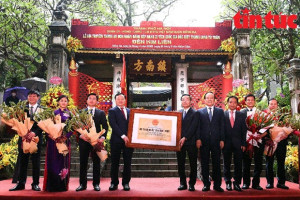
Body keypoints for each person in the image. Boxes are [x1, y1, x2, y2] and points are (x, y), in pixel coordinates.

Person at [10, 90, 43, 191]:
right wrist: (23, 133)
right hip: (23, 138)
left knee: (36, 162)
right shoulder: (21, 109)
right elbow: (17, 122)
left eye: (34, 96)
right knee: (22, 161)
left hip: (36, 138)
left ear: (38, 97)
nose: (31, 98)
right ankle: (21, 183)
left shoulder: (42, 110)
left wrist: (34, 133)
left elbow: (44, 124)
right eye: (30, 96)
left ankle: (35, 183)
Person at [76, 93, 108, 191]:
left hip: (96, 141)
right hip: (84, 141)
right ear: (87, 100)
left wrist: (102, 138)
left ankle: (96, 184)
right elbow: (77, 126)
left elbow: (105, 127)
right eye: (90, 98)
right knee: (83, 163)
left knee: (96, 163)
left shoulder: (101, 113)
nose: (92, 100)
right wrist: (80, 135)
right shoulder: (81, 112)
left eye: (94, 99)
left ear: (97, 101)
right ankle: (82, 184)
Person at [43, 95, 73, 192]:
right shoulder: (54, 113)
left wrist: (65, 137)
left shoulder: (70, 114)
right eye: (61, 101)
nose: (63, 102)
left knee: (63, 162)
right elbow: (47, 126)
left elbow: (72, 128)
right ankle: (51, 185)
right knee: (53, 161)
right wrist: (52, 135)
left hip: (64, 141)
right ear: (58, 102)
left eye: (65, 101)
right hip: (53, 141)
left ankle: (62, 185)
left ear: (68, 103)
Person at [196, 92, 224, 192]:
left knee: (216, 163)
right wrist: (198, 139)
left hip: (216, 141)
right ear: (204, 100)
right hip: (204, 141)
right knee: (204, 163)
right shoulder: (199, 112)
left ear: (214, 100)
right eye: (207, 98)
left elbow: (222, 127)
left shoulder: (220, 111)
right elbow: (198, 127)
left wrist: (222, 139)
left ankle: (217, 185)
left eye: (211, 98)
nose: (209, 100)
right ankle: (206, 184)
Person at [108, 93, 133, 191]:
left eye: (122, 99)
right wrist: (123, 136)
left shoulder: (130, 111)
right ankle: (114, 183)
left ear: (125, 100)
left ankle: (126, 183)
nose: (120, 100)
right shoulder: (112, 111)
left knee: (128, 162)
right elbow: (113, 124)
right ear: (115, 100)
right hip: (116, 140)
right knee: (115, 163)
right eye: (118, 99)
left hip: (129, 141)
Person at [241, 94, 266, 190]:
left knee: (258, 162)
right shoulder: (241, 113)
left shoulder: (260, 113)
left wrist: (260, 135)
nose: (250, 101)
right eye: (248, 100)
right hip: (246, 141)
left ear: (254, 101)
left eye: (252, 100)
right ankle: (246, 183)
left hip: (258, 140)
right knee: (246, 163)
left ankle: (256, 183)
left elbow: (266, 127)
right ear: (245, 102)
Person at [223, 96, 247, 192]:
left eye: (234, 102)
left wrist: (244, 143)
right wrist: (221, 141)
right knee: (226, 163)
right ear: (227, 103)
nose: (232, 104)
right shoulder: (223, 114)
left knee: (238, 164)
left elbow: (244, 130)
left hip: (238, 143)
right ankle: (228, 182)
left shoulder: (241, 115)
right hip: (226, 143)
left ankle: (237, 183)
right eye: (230, 102)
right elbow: (221, 129)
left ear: (237, 104)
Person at [264, 98, 289, 189]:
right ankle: (270, 182)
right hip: (269, 143)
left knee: (281, 162)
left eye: (275, 104)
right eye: (271, 104)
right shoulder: (264, 116)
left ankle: (281, 183)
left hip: (281, 143)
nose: (273, 105)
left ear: (277, 106)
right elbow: (262, 129)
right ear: (268, 105)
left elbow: (288, 128)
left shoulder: (283, 116)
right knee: (269, 163)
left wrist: (285, 135)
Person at [176, 94, 198, 191]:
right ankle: (182, 183)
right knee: (181, 164)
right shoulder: (178, 113)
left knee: (193, 164)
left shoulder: (195, 113)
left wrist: (185, 137)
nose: (185, 101)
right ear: (181, 102)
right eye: (183, 100)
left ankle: (192, 184)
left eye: (187, 99)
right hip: (179, 143)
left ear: (190, 102)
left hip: (191, 142)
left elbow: (193, 127)